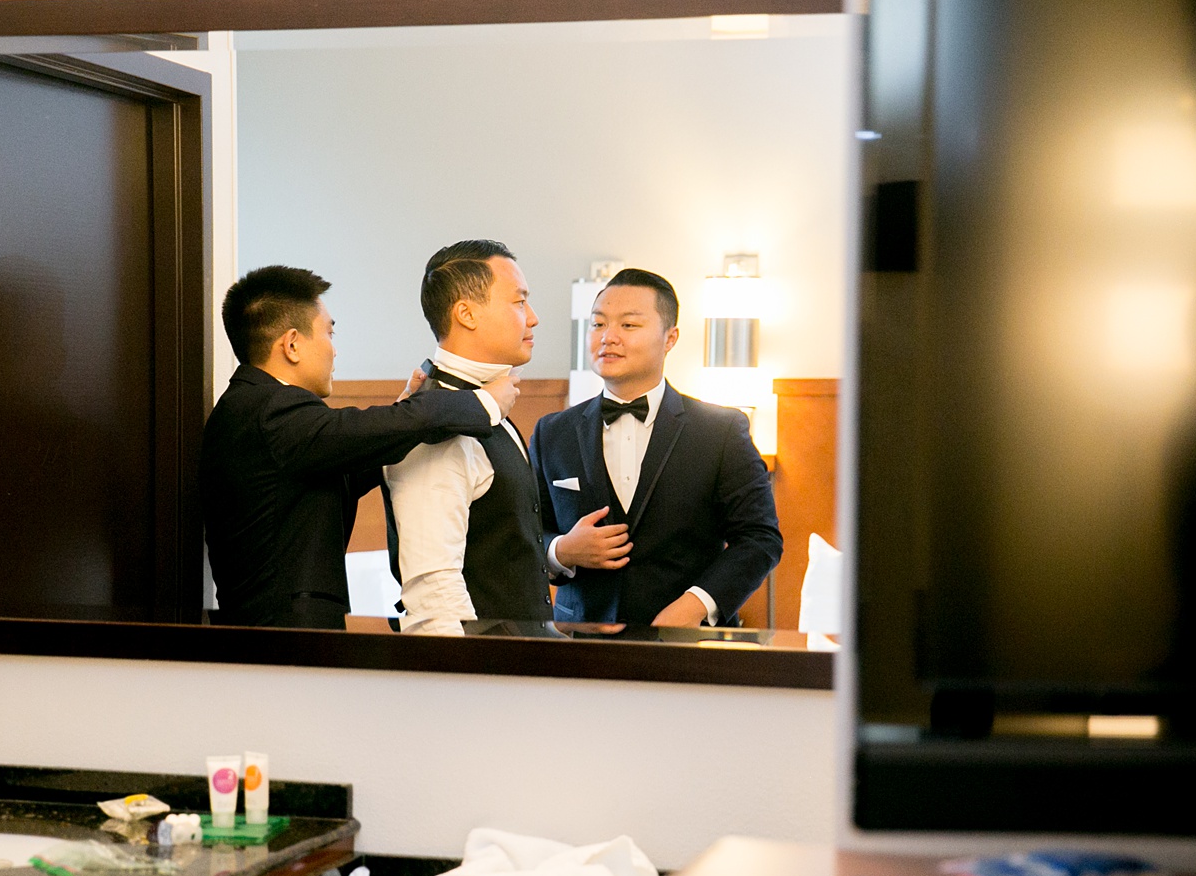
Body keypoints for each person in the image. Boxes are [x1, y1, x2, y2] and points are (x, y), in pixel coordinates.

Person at [200, 265, 519, 629]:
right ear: (291, 345)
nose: (334, 351)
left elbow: (345, 466)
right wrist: (481, 403)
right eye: (329, 333)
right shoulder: (270, 409)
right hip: (284, 634)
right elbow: (351, 430)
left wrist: (406, 418)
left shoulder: (257, 409)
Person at [530, 267, 782, 627]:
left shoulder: (720, 430)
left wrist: (696, 606)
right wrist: (562, 550)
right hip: (579, 643)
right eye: (598, 324)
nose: (608, 337)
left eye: (629, 325)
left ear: (670, 338)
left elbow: (760, 539)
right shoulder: (552, 432)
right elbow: (527, 536)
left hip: (691, 646)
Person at [382, 241, 553, 635]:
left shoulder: (488, 402)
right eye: (519, 302)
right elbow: (433, 592)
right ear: (467, 313)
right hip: (484, 675)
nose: (534, 318)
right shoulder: (436, 424)